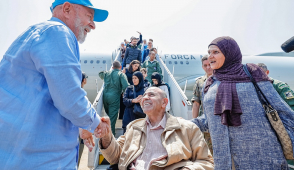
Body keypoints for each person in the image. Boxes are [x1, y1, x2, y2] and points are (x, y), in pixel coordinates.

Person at [0, 0, 109, 169]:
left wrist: (82, 125)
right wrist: (96, 123)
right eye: (89, 16)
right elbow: (70, 99)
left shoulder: (34, 34)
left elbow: (53, 98)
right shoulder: (59, 32)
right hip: (40, 160)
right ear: (67, 9)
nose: (93, 25)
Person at [191, 36, 294, 170]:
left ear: (229, 52)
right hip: (225, 162)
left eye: (215, 52)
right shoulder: (210, 84)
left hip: (263, 159)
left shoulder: (251, 73)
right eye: (209, 53)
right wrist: (181, 124)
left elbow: (285, 113)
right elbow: (210, 119)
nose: (210, 56)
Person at [99, 87, 214, 170]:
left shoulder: (187, 128)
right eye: (144, 95)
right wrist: (106, 135)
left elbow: (206, 162)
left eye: (151, 95)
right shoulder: (133, 127)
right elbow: (115, 158)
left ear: (164, 103)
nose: (145, 98)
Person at [99, 61, 129, 135]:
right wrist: (124, 93)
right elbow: (126, 86)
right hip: (114, 97)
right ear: (120, 67)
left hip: (105, 97)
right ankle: (110, 136)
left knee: (108, 115)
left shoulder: (107, 73)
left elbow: (100, 74)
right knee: (112, 119)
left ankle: (106, 133)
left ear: (112, 67)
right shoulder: (121, 74)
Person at [191, 55, 214, 155]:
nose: (208, 67)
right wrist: (193, 123)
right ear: (202, 67)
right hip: (205, 122)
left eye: (210, 64)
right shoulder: (199, 82)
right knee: (206, 151)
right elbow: (196, 104)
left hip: (219, 122)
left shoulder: (222, 80)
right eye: (205, 65)